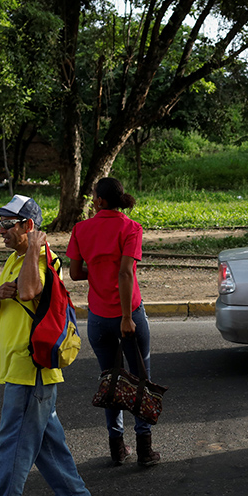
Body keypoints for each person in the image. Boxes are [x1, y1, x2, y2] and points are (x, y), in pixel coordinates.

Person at [0, 195, 95, 496]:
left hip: (30, 370)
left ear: (29, 227)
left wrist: (35, 251)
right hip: (20, 370)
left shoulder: (44, 259)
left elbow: (29, 292)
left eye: (9, 224)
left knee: (13, 447)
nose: (1, 231)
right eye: (0, 224)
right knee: (47, 445)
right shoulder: (14, 260)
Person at [67, 177, 160, 467]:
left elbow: (74, 273)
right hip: (128, 315)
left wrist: (97, 273)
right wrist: (126, 317)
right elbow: (125, 274)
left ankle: (117, 447)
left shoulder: (81, 229)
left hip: (98, 318)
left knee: (111, 379)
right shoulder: (131, 228)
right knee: (139, 376)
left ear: (100, 201)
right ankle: (145, 450)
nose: (92, 199)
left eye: (93, 195)